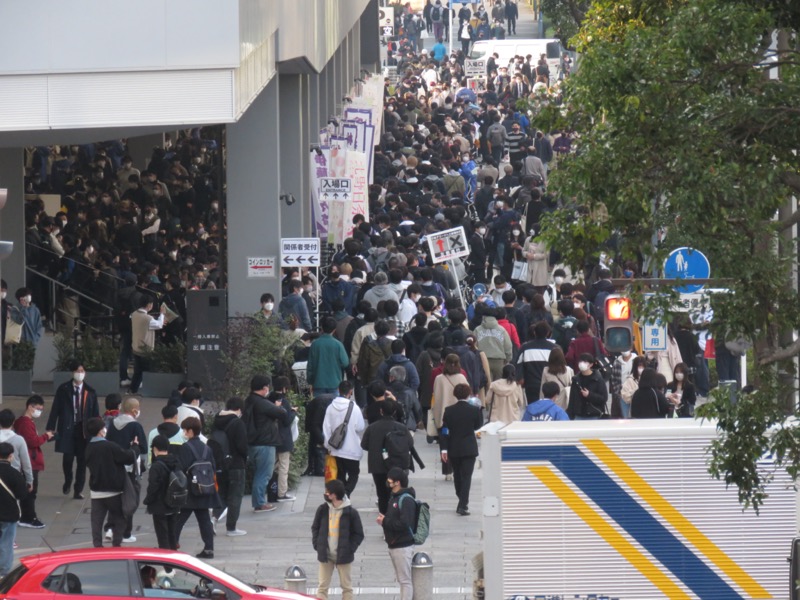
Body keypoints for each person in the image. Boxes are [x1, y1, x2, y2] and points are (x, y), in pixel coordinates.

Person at [46, 360, 100, 499]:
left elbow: (95, 414)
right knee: (68, 458)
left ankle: (78, 489)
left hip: (84, 430)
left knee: (82, 461)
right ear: (73, 372)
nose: (80, 374)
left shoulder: (90, 391)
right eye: (77, 371)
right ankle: (68, 480)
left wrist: (97, 431)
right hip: (67, 428)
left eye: (82, 371)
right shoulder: (63, 389)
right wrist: (50, 428)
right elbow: (55, 410)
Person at [85, 417, 140, 547]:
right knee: (119, 518)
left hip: (96, 491)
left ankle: (97, 545)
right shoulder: (109, 446)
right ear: (100, 431)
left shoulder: (89, 448)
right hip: (114, 490)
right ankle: (116, 544)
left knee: (96, 521)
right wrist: (135, 446)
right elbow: (128, 457)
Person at [311, 479, 365, 600]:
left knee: (346, 587)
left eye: (327, 492)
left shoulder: (351, 513)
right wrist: (317, 544)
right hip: (326, 556)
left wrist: (350, 549)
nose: (325, 494)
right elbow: (315, 527)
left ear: (334, 495)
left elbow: (358, 534)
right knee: (322, 587)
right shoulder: (323, 509)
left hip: (344, 556)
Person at [175, 416, 222, 558]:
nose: (184, 433)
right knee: (204, 521)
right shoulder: (207, 448)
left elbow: (180, 469)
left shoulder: (185, 448)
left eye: (184, 430)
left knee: (179, 520)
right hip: (205, 489)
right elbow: (213, 467)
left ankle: (172, 544)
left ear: (190, 431)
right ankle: (209, 549)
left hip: (190, 490)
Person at [105, 397, 147, 543]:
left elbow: (108, 443)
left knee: (115, 498)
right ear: (134, 410)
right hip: (130, 468)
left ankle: (110, 527)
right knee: (130, 500)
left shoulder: (113, 423)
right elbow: (143, 448)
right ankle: (126, 533)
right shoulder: (135, 426)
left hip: (114, 467)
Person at [243, 375, 287, 512]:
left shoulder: (248, 400)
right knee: (264, 474)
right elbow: (282, 413)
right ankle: (260, 503)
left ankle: (259, 501)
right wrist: (278, 406)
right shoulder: (262, 402)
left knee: (259, 473)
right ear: (264, 388)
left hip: (253, 443)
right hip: (265, 443)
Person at [361, 399, 411, 515]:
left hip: (377, 465)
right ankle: (394, 515)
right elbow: (410, 443)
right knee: (396, 493)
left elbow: (364, 444)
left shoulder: (372, 427)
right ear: (394, 412)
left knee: (381, 493)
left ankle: (384, 517)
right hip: (396, 465)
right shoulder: (401, 427)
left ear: (381, 411)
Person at [440, 383, 482, 515]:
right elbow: (478, 426)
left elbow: (445, 431)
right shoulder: (475, 410)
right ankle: (463, 504)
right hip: (469, 447)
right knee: (467, 476)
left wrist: (444, 449)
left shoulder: (449, 410)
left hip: (454, 447)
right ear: (468, 394)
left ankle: (461, 499)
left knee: (457, 475)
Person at [211, 397, 249, 535]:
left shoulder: (217, 421)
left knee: (221, 493)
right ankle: (231, 528)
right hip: (236, 464)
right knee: (235, 496)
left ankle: (214, 518)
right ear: (239, 409)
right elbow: (242, 446)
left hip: (221, 464)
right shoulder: (237, 423)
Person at [377, 467, 416, 600]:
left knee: (405, 581)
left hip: (402, 545)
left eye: (390, 480)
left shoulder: (406, 500)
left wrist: (385, 521)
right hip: (394, 544)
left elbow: (404, 524)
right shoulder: (394, 497)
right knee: (402, 580)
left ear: (397, 482)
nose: (387, 482)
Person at [14, 395, 52, 528]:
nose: (39, 412)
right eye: (38, 409)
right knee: (30, 490)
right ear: (30, 406)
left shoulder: (24, 421)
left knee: (29, 490)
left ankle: (27, 516)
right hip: (30, 461)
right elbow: (32, 441)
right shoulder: (25, 423)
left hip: (31, 460)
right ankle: (28, 517)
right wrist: (46, 436)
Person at [323, 381, 366, 497]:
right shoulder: (354, 407)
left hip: (335, 448)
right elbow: (361, 427)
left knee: (340, 475)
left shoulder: (330, 407)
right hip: (351, 449)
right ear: (350, 392)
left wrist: (328, 446)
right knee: (354, 474)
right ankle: (346, 493)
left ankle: (342, 495)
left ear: (338, 390)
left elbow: (326, 428)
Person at [143, 435, 180, 549]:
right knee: (172, 534)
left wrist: (148, 500)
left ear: (155, 449)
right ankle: (174, 560)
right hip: (174, 503)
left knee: (162, 537)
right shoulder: (175, 462)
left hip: (160, 506)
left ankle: (167, 565)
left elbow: (153, 486)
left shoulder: (156, 466)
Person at [129, 295, 166, 394]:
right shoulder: (148, 318)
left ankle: (133, 390)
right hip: (146, 349)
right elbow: (159, 325)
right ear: (149, 305)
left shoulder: (134, 314)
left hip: (136, 346)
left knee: (138, 371)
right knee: (147, 370)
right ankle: (146, 390)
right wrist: (162, 314)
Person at [0, 442, 27, 577]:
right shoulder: (14, 474)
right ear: (11, 456)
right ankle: (3, 572)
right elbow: (22, 495)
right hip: (9, 514)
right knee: (6, 543)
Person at [270, 377, 299, 503]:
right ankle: (282, 493)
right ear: (284, 388)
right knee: (283, 467)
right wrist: (293, 412)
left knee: (272, 466)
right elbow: (287, 420)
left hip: (270, 438)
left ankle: (272, 491)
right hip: (283, 438)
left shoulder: (268, 399)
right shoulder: (284, 402)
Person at [307, 316, 350, 395]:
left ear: (322, 328)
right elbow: (345, 363)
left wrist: (310, 381)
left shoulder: (315, 344)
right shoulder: (338, 345)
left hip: (318, 383)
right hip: (335, 383)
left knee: (320, 406)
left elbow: (310, 365)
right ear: (334, 329)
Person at [516, 321, 556, 403]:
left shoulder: (525, 347)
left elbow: (518, 364)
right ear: (548, 333)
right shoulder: (554, 348)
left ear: (534, 332)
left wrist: (520, 378)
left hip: (531, 384)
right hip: (549, 385)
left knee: (533, 408)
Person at [566, 353, 608, 420]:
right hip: (578, 414)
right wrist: (570, 415)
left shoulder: (598, 379)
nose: (582, 364)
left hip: (593, 414)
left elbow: (603, 398)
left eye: (585, 362)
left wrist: (589, 395)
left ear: (591, 364)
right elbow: (572, 400)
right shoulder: (576, 379)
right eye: (580, 361)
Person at [610, 349, 637, 418]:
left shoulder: (636, 360)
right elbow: (614, 379)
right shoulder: (617, 362)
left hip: (635, 393)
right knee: (625, 416)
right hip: (622, 394)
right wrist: (619, 392)